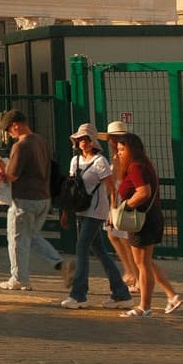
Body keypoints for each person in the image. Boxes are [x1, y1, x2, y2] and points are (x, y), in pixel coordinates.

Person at [109, 127, 182, 317]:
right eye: (117, 149)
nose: (119, 153)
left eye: (122, 149)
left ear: (132, 149)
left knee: (142, 264)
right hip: (150, 217)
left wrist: (127, 206)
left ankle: (144, 307)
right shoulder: (143, 164)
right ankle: (170, 296)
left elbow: (143, 191)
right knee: (145, 263)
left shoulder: (136, 167)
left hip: (141, 219)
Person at [59, 123, 132, 310]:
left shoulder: (100, 161)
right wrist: (66, 211)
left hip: (97, 211)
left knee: (81, 247)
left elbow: (111, 188)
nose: (82, 142)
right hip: (81, 210)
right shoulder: (74, 162)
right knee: (100, 251)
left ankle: (79, 295)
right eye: (80, 139)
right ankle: (121, 293)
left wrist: (111, 211)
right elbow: (70, 188)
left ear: (92, 142)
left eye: (86, 139)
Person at [0, 109, 65, 291]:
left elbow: (13, 175)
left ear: (16, 125)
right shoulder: (41, 141)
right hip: (43, 197)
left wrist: (1, 165)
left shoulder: (21, 145)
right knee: (31, 236)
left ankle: (18, 278)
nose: (8, 134)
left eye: (8, 129)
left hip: (24, 199)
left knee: (16, 240)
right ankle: (59, 263)